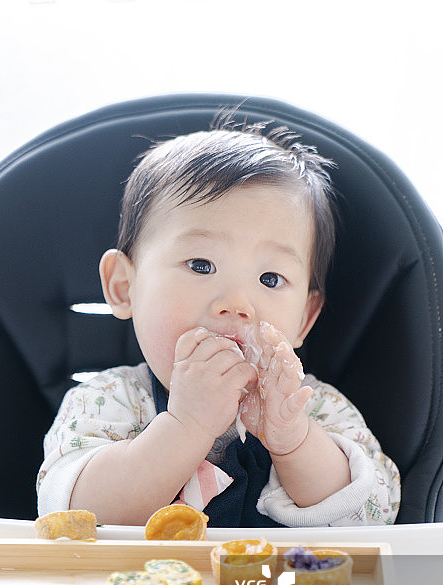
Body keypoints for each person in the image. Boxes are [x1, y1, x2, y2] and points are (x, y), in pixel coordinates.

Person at [37, 121, 400, 527]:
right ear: (124, 287)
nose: (236, 304)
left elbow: (373, 515)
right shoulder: (108, 401)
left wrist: (295, 442)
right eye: (201, 265)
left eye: (270, 279)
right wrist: (185, 427)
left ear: (304, 319)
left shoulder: (314, 408)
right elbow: (75, 518)